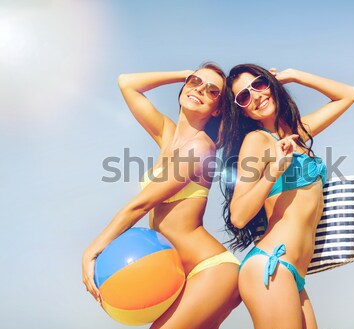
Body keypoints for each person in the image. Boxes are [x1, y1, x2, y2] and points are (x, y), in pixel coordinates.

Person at [82, 63, 241, 329]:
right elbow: (127, 82)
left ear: (218, 108)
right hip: (186, 275)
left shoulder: (200, 148)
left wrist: (92, 251)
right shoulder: (167, 134)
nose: (200, 89)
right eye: (195, 83)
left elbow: (141, 204)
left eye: (211, 90)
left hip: (211, 269)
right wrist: (183, 74)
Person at [220, 64, 354, 329]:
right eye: (244, 96)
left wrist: (294, 75)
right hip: (273, 264)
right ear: (242, 109)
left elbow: (348, 94)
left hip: (294, 274)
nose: (256, 96)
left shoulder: (298, 132)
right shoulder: (256, 141)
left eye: (259, 84)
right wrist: (274, 171)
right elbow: (238, 215)